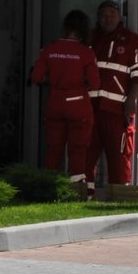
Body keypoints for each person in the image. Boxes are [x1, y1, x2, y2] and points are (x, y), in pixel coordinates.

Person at [30, 10, 100, 189]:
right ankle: (76, 191)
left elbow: (36, 77)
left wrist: (52, 79)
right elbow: (95, 83)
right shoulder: (86, 53)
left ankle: (50, 189)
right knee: (78, 151)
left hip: (55, 103)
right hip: (78, 105)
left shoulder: (50, 50)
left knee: (53, 150)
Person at [87, 0, 138, 187]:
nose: (108, 19)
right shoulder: (90, 38)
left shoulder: (133, 41)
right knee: (86, 155)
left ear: (119, 17)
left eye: (112, 14)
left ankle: (118, 199)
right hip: (91, 109)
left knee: (119, 156)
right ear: (98, 18)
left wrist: (132, 99)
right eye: (104, 15)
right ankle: (84, 196)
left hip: (117, 111)